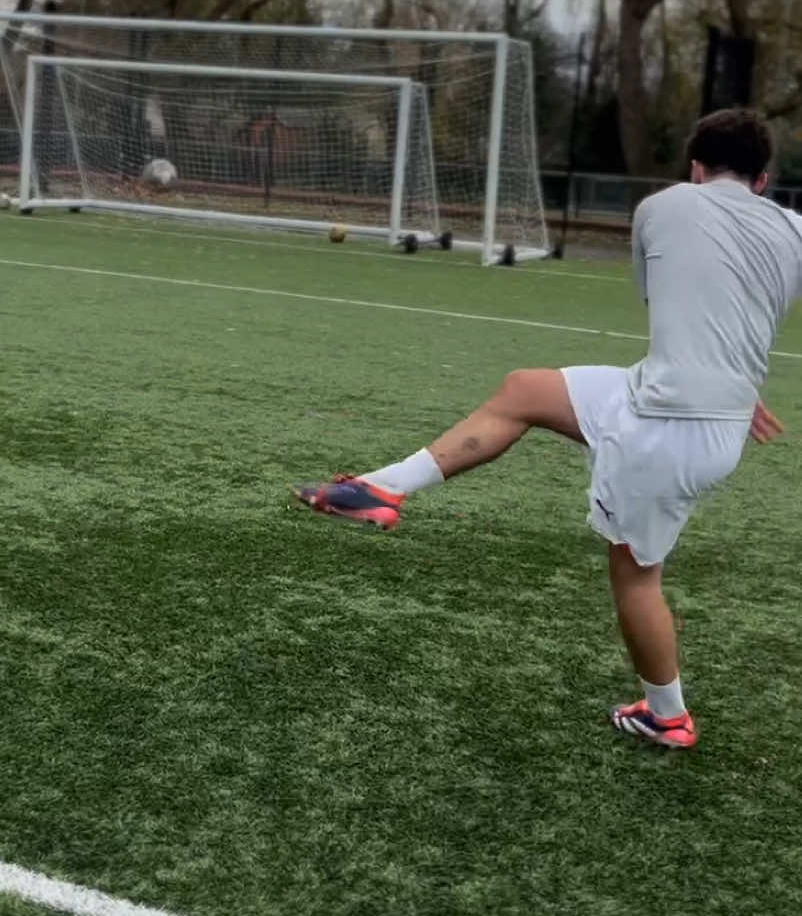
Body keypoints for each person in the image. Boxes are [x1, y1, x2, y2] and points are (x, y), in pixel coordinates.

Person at [295, 108, 800, 750]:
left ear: (696, 168)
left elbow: (675, 294)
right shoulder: (795, 229)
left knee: (637, 575)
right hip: (694, 413)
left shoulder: (662, 207)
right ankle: (382, 489)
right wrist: (736, 387)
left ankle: (667, 716)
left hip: (667, 427)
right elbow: (732, 311)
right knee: (525, 390)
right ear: (764, 179)